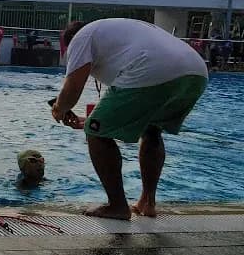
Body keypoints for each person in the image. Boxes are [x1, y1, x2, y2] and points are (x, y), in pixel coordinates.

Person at [52, 19, 207, 220]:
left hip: (154, 68)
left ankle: (117, 206)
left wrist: (59, 109)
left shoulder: (81, 38)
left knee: (95, 132)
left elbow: (72, 91)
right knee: (151, 129)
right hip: (196, 72)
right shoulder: (115, 31)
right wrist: (92, 119)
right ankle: (147, 202)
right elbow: (126, 99)